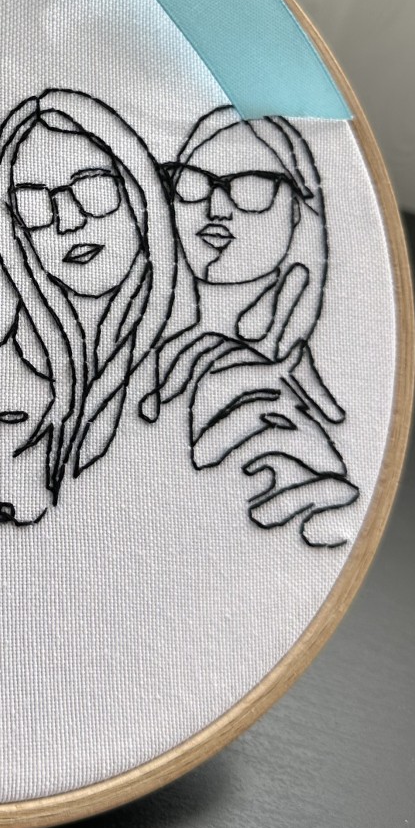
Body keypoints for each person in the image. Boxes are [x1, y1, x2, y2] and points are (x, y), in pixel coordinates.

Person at [0, 90, 183, 543]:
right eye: (34, 204)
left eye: (92, 187)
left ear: (138, 188)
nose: (67, 221)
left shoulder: (189, 359)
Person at [157, 105, 359, 545]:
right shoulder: (141, 348)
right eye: (192, 183)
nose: (215, 208)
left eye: (251, 188)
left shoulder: (283, 384)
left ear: (298, 210)